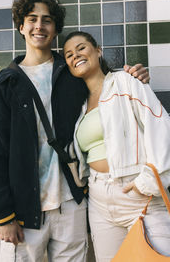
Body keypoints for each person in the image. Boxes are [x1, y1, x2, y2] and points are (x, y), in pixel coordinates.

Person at [0, 0, 149, 262]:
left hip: (70, 205)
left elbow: (106, 84)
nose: (39, 26)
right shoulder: (7, 83)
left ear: (55, 28)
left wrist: (133, 77)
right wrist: (3, 215)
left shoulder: (71, 72)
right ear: (21, 26)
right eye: (32, 19)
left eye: (47, 20)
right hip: (24, 211)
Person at [63, 30, 170, 262]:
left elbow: (162, 128)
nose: (75, 56)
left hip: (138, 194)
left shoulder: (126, 81)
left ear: (98, 51)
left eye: (81, 48)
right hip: (99, 199)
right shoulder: (80, 106)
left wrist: (147, 181)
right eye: (69, 54)